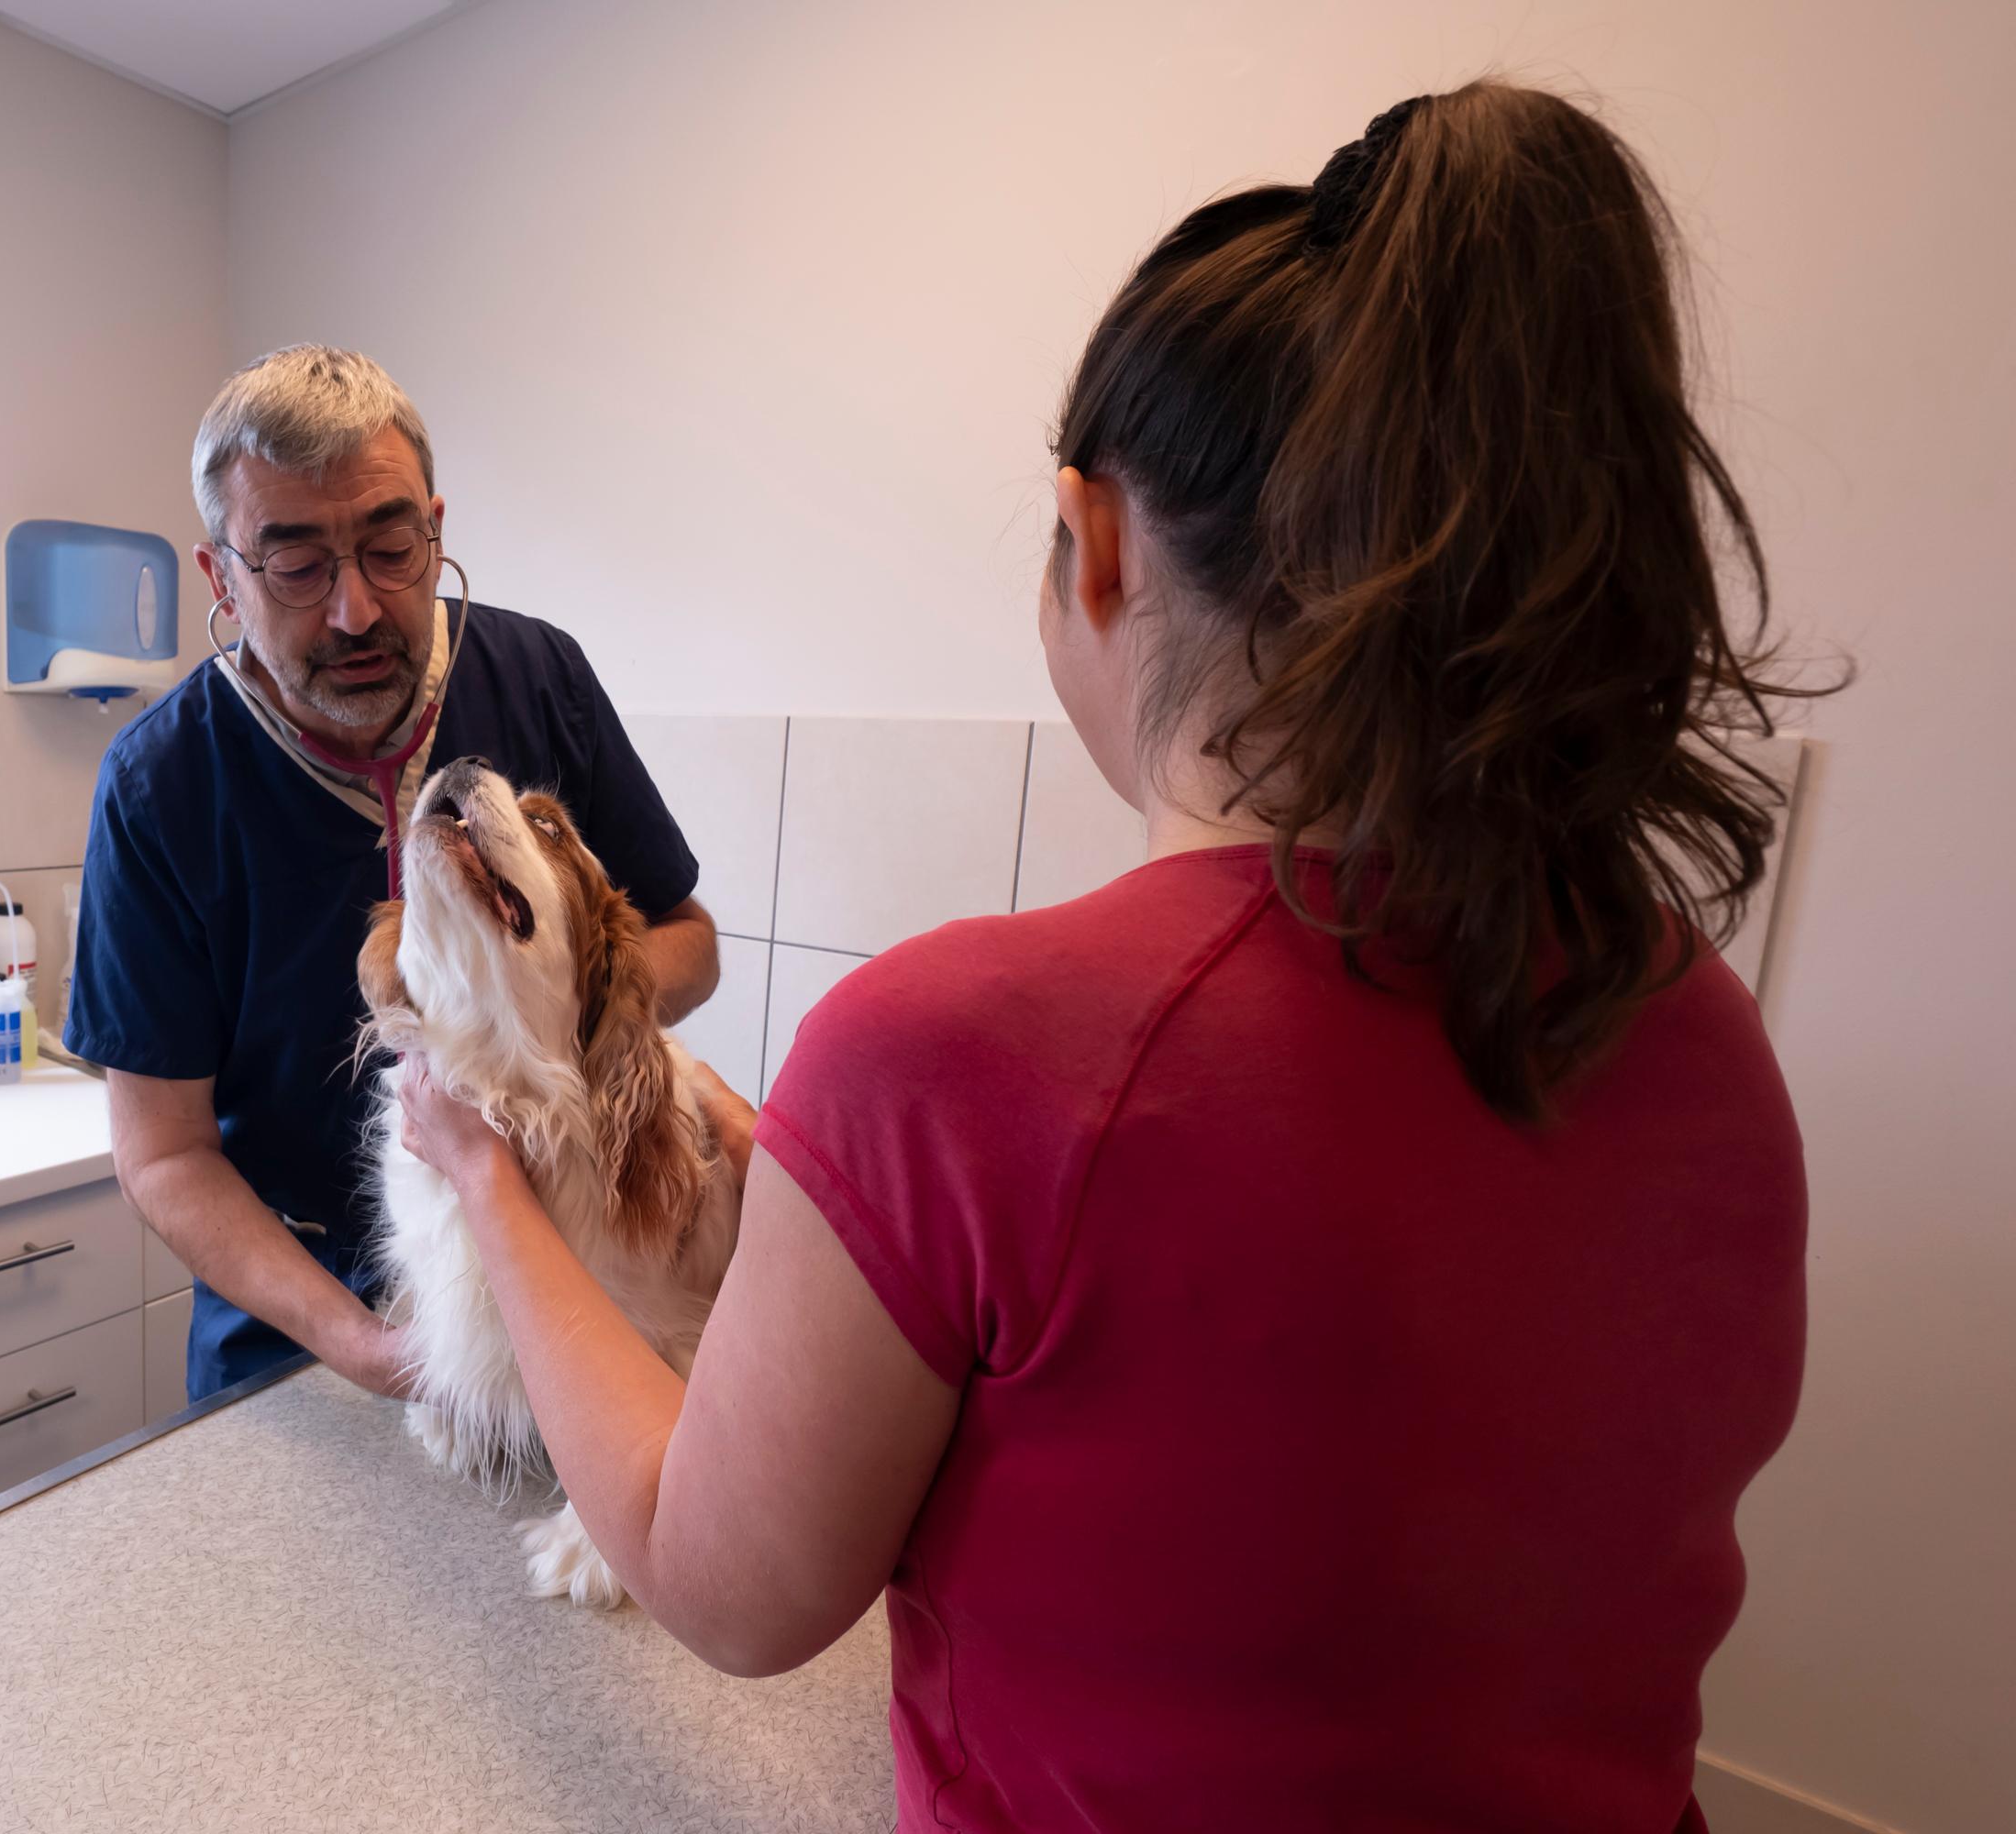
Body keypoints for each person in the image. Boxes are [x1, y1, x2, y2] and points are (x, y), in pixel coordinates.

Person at [395, 83, 1817, 1832]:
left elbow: (726, 1585)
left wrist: (484, 1184)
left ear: (1097, 538)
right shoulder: (1700, 1030)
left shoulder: (951, 1051)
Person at [67, 346, 717, 1402]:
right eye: (296, 565)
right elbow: (163, 1155)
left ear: (436, 527)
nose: (357, 611)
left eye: (390, 545)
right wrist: (370, 1346)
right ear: (220, 575)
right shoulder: (161, 786)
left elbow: (690, 937)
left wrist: (569, 1002)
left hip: (560, 1301)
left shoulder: (538, 677)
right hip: (298, 1341)